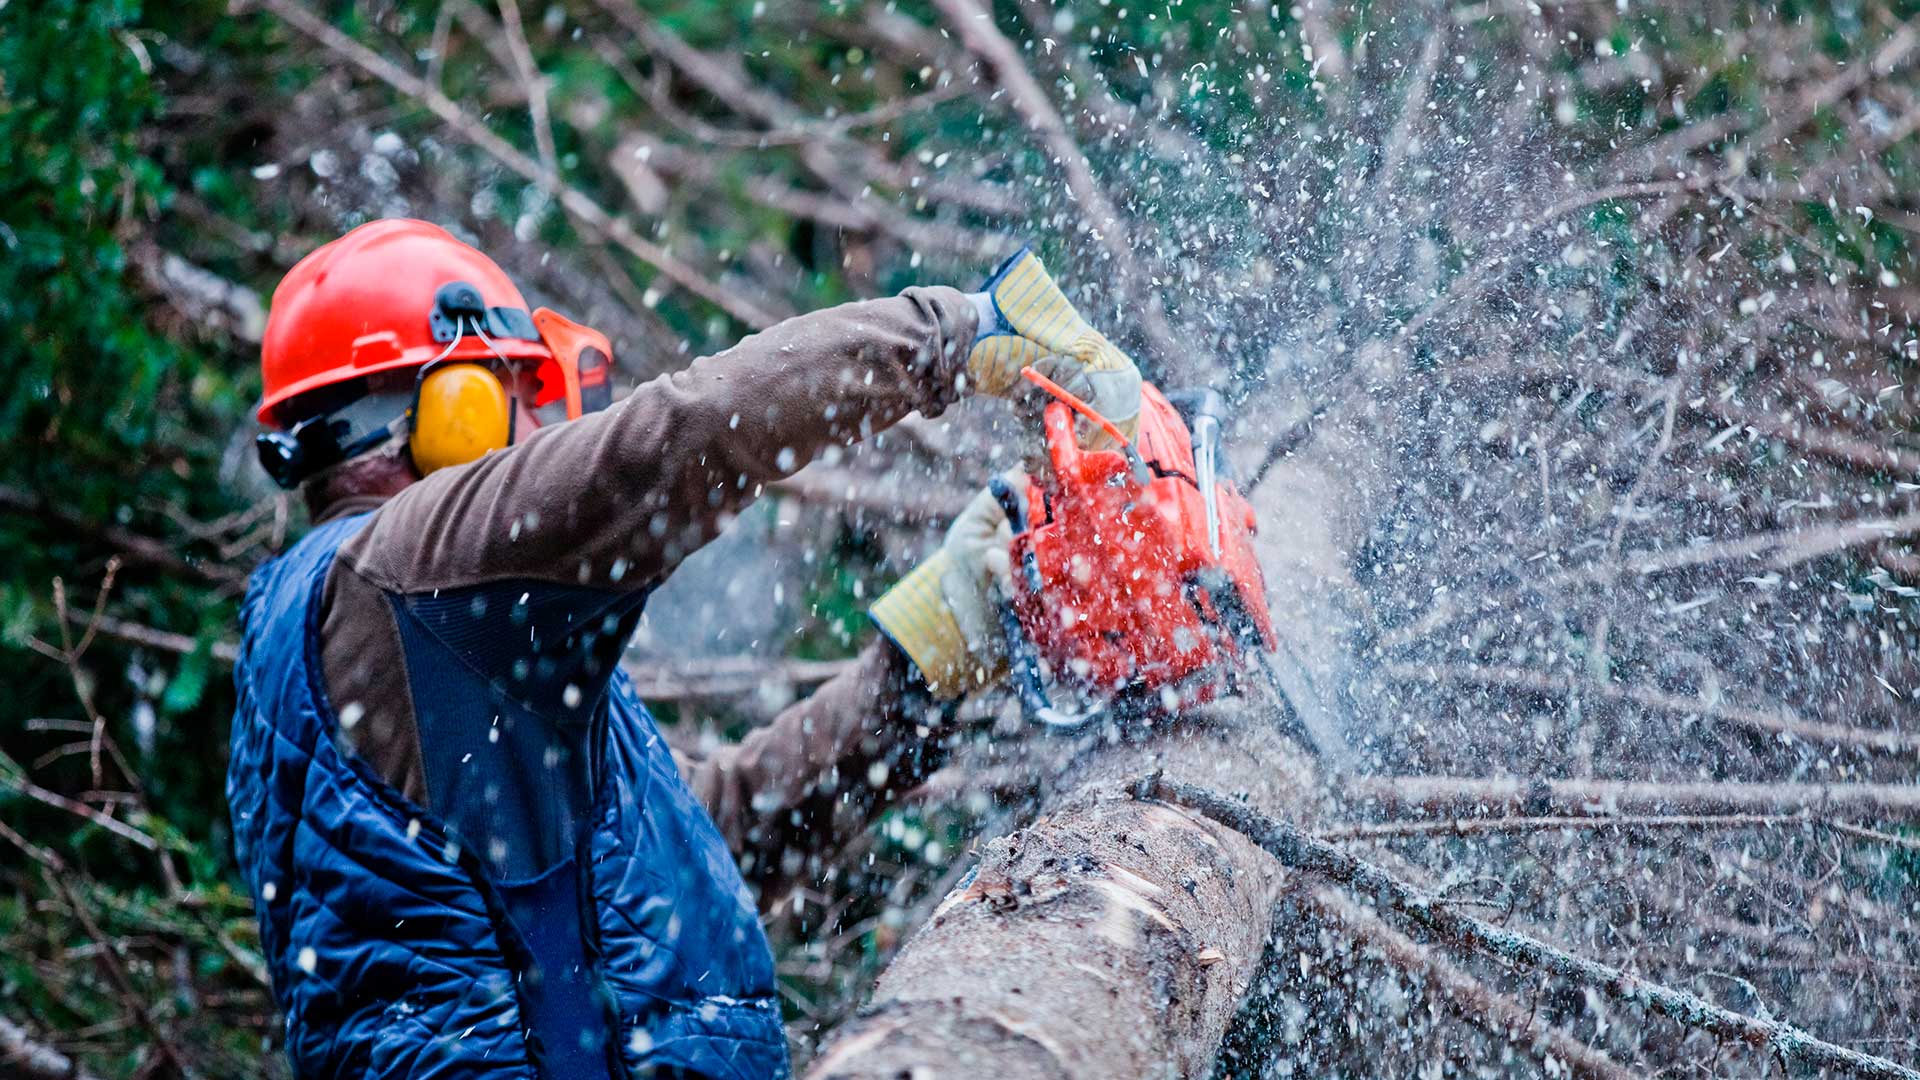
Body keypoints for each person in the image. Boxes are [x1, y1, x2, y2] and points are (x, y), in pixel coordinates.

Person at [226, 218, 1141, 1079]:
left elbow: (697, 849)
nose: (538, 433)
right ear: (447, 410)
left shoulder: (400, 637)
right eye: (514, 396)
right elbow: (675, 441)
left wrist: (924, 662)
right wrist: (959, 331)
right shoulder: (410, 572)